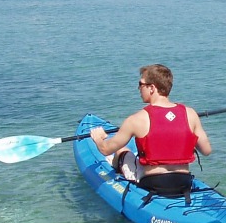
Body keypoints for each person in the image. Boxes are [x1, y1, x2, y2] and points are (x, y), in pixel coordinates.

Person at [89, 64, 212, 196]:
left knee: (121, 150)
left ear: (152, 88)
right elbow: (206, 151)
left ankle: (117, 176)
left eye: (141, 84)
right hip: (183, 182)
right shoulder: (191, 114)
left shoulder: (136, 119)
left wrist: (98, 138)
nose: (138, 88)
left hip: (153, 184)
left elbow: (106, 149)